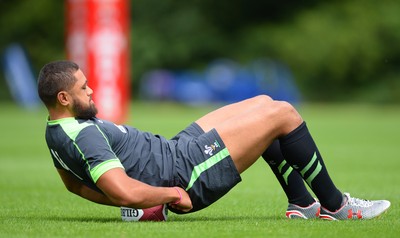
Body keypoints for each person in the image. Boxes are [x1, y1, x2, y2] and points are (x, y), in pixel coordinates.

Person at [37, 60, 390, 220]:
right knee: (283, 113)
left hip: (174, 149)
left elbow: (74, 186)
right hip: (184, 172)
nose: (91, 89)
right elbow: (121, 190)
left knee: (262, 104)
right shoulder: (83, 134)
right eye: (83, 88)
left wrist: (144, 205)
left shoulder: (55, 131)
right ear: (64, 99)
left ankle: (301, 202)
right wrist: (168, 195)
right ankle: (335, 205)